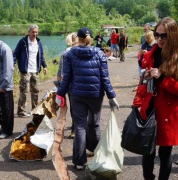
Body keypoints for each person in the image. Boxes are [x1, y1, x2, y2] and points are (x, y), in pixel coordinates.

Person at [56, 27, 119, 170]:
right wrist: (111, 96)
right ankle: (94, 151)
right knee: (94, 123)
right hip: (95, 95)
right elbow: (105, 78)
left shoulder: (70, 54)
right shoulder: (100, 53)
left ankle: (79, 161)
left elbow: (66, 78)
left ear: (78, 39)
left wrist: (60, 94)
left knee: (79, 126)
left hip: (77, 95)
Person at [141, 17, 178, 180]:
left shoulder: (176, 58)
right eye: (157, 35)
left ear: (172, 35)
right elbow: (143, 84)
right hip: (150, 107)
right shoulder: (150, 54)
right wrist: (145, 77)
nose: (160, 39)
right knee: (147, 149)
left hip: (169, 112)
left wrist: (161, 77)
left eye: (164, 36)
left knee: (165, 152)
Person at [13, 24, 47, 117]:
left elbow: (41, 55)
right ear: (29, 32)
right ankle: (21, 111)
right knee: (24, 90)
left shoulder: (38, 42)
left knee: (36, 90)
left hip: (35, 70)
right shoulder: (23, 42)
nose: (34, 34)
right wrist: (13, 64)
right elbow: (15, 54)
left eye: (36, 32)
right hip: (25, 70)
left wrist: (44, 66)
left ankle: (34, 109)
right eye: (33, 32)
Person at [56, 32, 79, 138]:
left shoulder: (65, 52)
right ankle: (75, 128)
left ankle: (74, 127)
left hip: (68, 83)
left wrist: (59, 83)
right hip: (78, 82)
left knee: (72, 105)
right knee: (77, 106)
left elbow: (61, 69)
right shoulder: (79, 51)